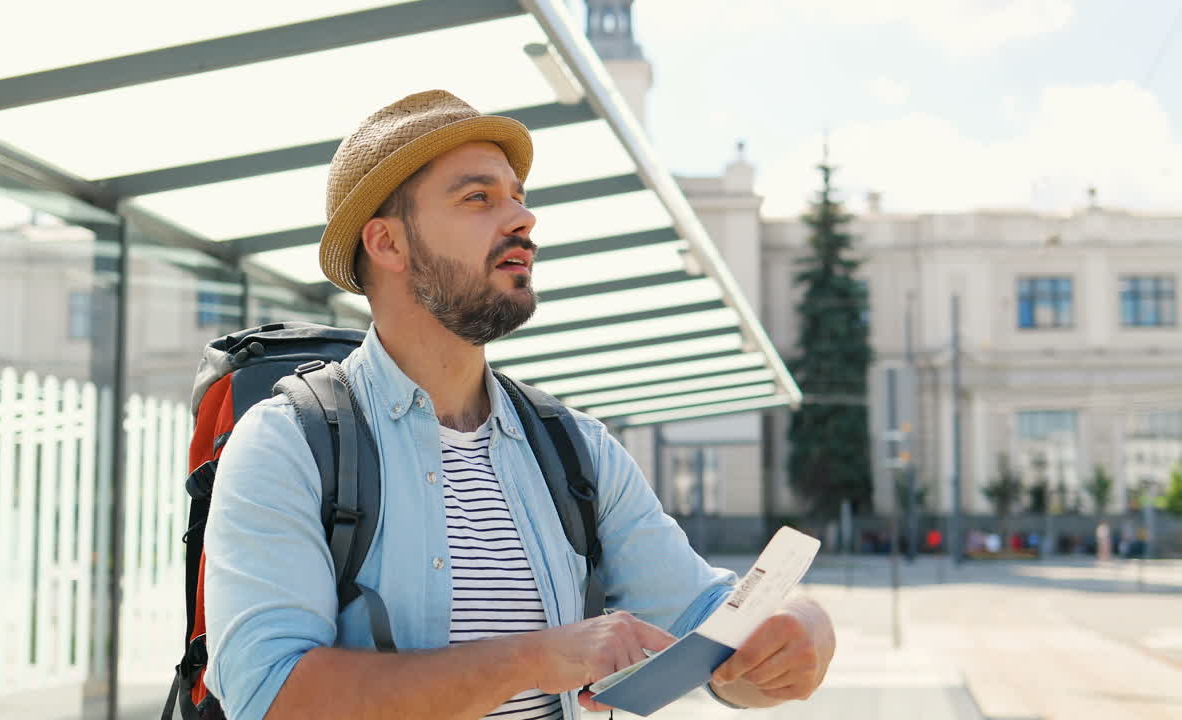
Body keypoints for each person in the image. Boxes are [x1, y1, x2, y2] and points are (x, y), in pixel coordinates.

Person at [203, 90, 836, 720]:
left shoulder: (577, 450)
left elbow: (710, 624)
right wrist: (528, 660)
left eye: (518, 198)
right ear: (387, 243)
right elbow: (269, 698)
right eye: (477, 198)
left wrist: (797, 632)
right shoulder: (288, 446)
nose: (521, 219)